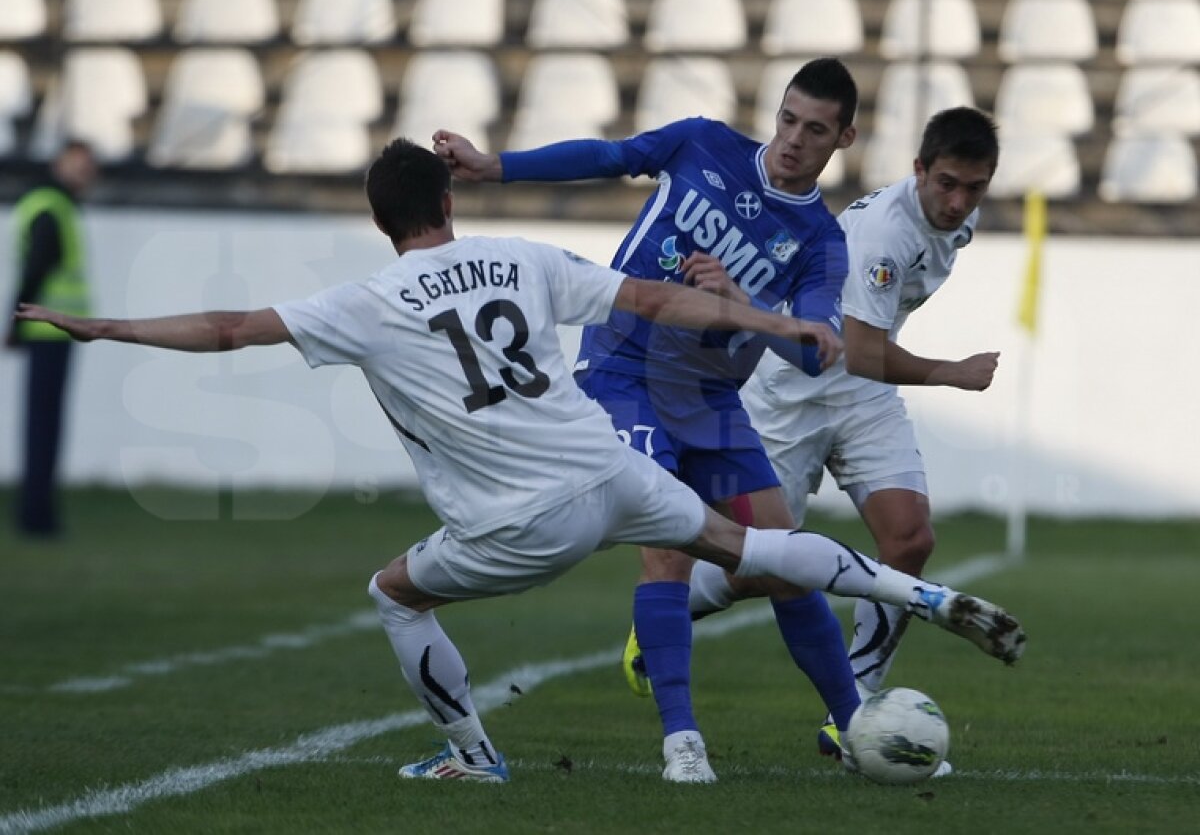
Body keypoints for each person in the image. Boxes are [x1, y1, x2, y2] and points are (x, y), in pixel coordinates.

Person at [14, 138, 1025, 785]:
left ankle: (474, 759)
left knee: (395, 590)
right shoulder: (523, 258)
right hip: (613, 473)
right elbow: (656, 299)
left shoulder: (367, 302)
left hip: (516, 523)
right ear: (450, 197)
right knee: (752, 541)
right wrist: (770, 317)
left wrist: (102, 327)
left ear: (380, 219)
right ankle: (922, 598)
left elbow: (232, 327)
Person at [434, 58, 868, 773]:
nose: (793, 139)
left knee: (785, 559)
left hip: (710, 399)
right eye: (788, 118)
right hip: (623, 371)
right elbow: (607, 156)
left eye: (814, 129)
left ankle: (859, 728)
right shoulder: (701, 143)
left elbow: (817, 354)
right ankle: (682, 742)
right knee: (667, 538)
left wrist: (742, 307)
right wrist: (493, 167)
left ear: (844, 138)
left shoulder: (822, 241)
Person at [687, 107, 1002, 774]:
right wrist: (951, 372)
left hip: (858, 391)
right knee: (766, 564)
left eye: (973, 188)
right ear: (918, 170)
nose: (957, 202)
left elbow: (863, 359)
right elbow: (862, 351)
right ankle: (669, 606)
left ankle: (853, 710)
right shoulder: (884, 234)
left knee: (911, 540)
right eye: (946, 183)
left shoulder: (957, 220)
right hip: (792, 388)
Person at [5, 140, 97, 537]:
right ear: (57, 164)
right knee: (45, 426)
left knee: (43, 424)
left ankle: (36, 510)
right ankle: (36, 515)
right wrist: (16, 323)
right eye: (76, 165)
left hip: (51, 331)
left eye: (88, 167)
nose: (84, 174)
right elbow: (37, 268)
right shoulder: (52, 206)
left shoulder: (52, 204)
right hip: (50, 331)